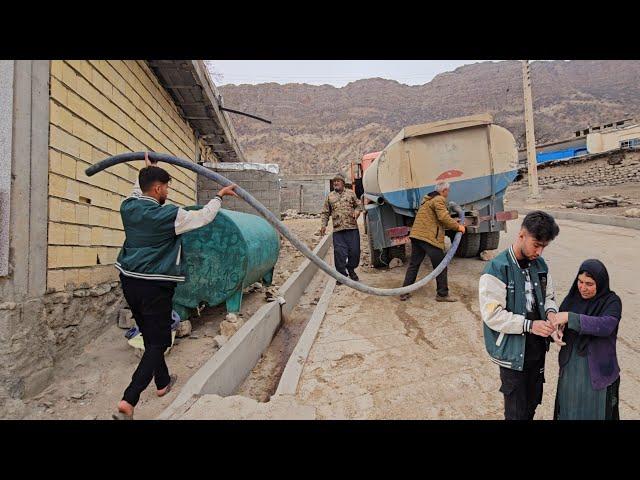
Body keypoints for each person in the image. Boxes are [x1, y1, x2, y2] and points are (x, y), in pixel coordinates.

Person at [113, 153, 238, 419]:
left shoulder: (128, 207)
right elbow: (204, 217)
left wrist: (148, 169)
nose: (167, 192)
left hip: (129, 281)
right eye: (166, 187)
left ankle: (162, 382)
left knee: (148, 333)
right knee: (158, 342)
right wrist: (220, 196)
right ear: (158, 188)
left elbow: (138, 191)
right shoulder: (170, 216)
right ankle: (129, 398)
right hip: (155, 285)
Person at [479, 211, 560, 420]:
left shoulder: (541, 266)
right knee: (516, 411)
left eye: (544, 246)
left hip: (537, 350)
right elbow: (493, 315)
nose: (539, 252)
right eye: (536, 244)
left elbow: (549, 297)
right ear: (522, 235)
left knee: (532, 404)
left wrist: (551, 314)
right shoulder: (497, 268)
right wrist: (529, 325)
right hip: (513, 353)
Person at [551, 259, 622, 420]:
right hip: (571, 371)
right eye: (580, 281)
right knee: (569, 412)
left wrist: (571, 318)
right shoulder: (572, 299)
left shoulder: (611, 301)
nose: (583, 288)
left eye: (589, 284)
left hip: (597, 375)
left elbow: (606, 326)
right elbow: (558, 321)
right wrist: (557, 330)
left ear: (600, 283)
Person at [400, 181, 466, 302]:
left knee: (414, 264)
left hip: (417, 236)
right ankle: (442, 294)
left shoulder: (428, 200)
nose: (448, 193)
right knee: (441, 265)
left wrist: (454, 222)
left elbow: (437, 218)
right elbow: (443, 217)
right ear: (443, 191)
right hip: (429, 238)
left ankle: (404, 292)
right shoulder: (439, 199)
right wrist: (458, 227)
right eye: (448, 190)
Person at [320, 174, 362, 283]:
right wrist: (323, 225)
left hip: (352, 228)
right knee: (339, 254)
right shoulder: (330, 196)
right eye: (334, 181)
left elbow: (359, 205)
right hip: (338, 231)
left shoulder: (351, 193)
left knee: (355, 253)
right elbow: (325, 212)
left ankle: (351, 268)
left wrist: (357, 211)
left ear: (343, 182)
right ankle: (341, 275)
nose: (336, 183)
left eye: (338, 181)